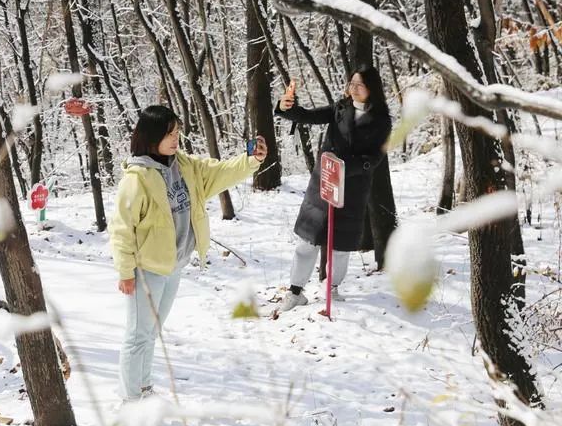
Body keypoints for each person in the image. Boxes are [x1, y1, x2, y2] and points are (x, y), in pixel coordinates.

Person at [109, 105, 267, 402]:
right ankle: (131, 401)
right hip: (147, 270)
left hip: (174, 266)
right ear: (151, 136)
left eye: (177, 132)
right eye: (169, 134)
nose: (175, 139)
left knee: (152, 332)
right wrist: (125, 272)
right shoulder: (137, 178)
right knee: (137, 335)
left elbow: (218, 173)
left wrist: (250, 161)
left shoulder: (183, 165)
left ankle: (144, 389)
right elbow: (121, 229)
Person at [274, 66, 391, 311]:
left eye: (360, 84)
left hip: (353, 187)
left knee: (341, 244)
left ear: (372, 89)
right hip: (324, 182)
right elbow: (306, 116)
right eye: (352, 83)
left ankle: (332, 287)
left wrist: (349, 166)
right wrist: (287, 106)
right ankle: (295, 291)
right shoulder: (340, 108)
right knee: (308, 239)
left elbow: (376, 156)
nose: (354, 88)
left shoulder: (382, 121)